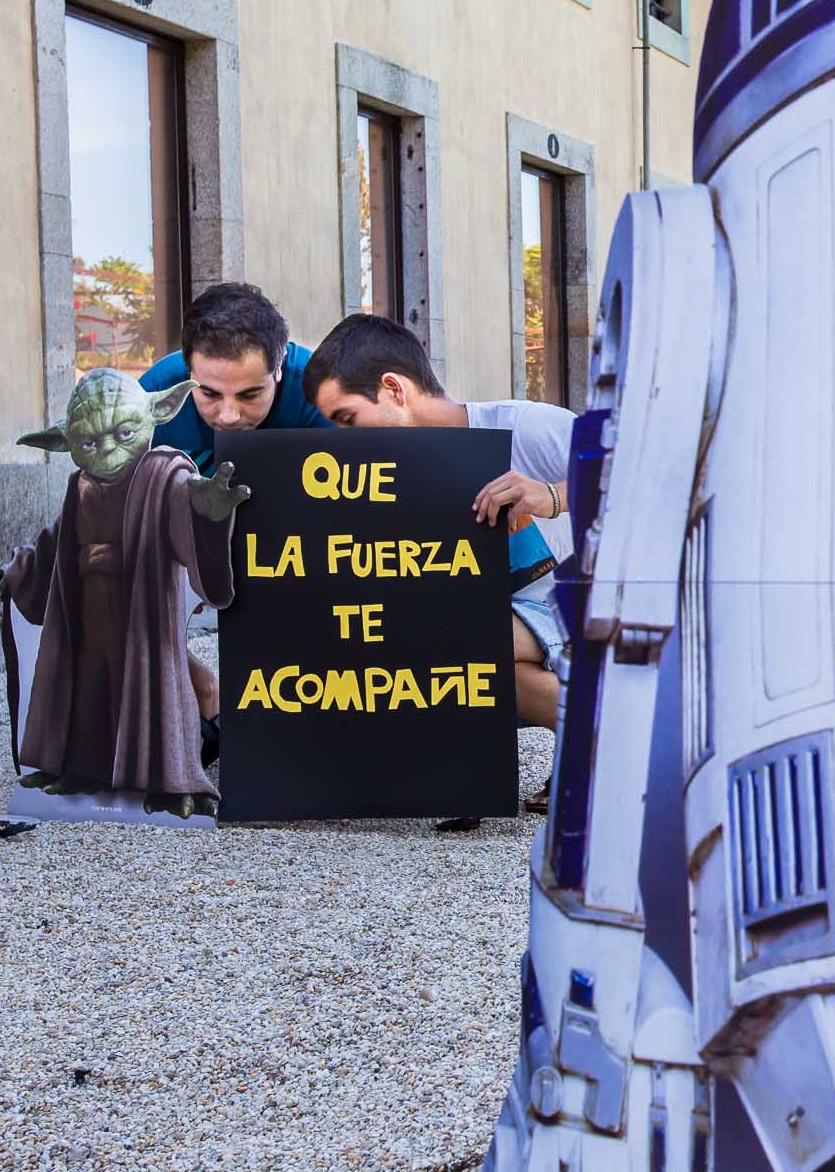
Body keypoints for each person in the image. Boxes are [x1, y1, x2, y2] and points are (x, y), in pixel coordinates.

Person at [301, 315, 572, 809]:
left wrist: (551, 495)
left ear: (393, 390)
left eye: (346, 418)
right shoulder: (383, 477)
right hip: (510, 625)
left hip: (591, 605)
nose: (343, 437)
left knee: (453, 634)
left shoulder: (528, 426)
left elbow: (650, 478)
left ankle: (613, 737)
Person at [136, 283, 333, 763]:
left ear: (281, 364)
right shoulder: (150, 400)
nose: (228, 414)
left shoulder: (322, 392)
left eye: (250, 394)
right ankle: (206, 693)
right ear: (187, 370)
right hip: (191, 530)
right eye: (208, 394)